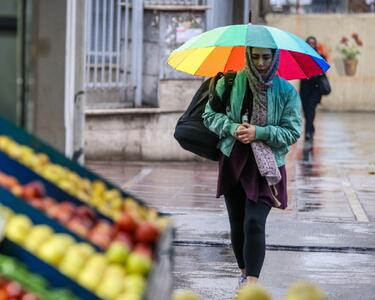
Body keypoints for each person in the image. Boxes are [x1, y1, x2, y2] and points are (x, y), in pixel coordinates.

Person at [202, 47, 301, 287]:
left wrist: (260, 132)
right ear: (248, 56)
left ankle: (252, 283)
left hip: (266, 166)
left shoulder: (286, 91)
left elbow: (292, 131)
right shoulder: (230, 81)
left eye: (266, 57)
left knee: (254, 221)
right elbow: (209, 115)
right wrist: (231, 127)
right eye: (255, 56)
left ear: (275, 56)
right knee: (237, 221)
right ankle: (245, 274)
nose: (260, 63)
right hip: (234, 159)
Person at [299, 36, 325, 147]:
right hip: (305, 91)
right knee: (307, 114)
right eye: (309, 43)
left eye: (313, 43)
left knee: (310, 113)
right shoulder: (302, 57)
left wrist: (314, 75)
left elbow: (324, 71)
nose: (311, 45)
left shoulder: (320, 57)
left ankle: (308, 134)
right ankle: (311, 129)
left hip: (315, 91)